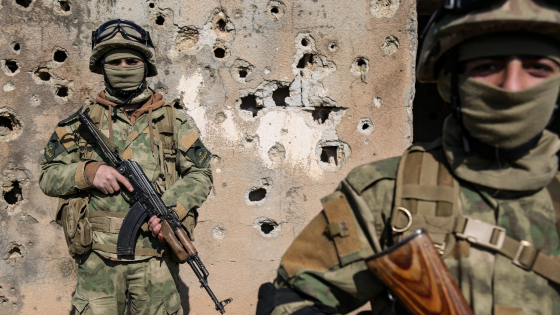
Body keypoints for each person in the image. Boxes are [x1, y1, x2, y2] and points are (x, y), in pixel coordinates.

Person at [256, 0, 560, 314]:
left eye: (538, 68)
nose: (511, 87)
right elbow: (291, 301)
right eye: (487, 67)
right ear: (450, 83)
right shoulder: (384, 193)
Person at [39, 19, 213, 314]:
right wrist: (88, 173)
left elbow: (201, 173)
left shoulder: (172, 120)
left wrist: (170, 210)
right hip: (97, 264)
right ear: (102, 67)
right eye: (114, 61)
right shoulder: (81, 122)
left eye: (131, 60)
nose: (123, 67)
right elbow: (48, 176)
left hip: (157, 259)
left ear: (145, 65)